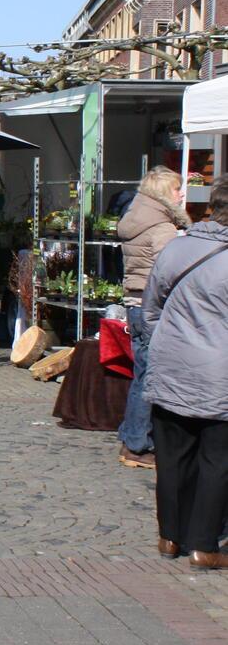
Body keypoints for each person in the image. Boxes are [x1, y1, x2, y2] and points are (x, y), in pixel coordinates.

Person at [142, 177, 228, 569]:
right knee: (217, 461)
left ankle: (169, 536)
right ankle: (204, 544)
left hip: (170, 364)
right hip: (218, 372)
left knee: (173, 457)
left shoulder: (177, 247)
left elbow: (149, 310)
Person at [116, 165, 189, 469]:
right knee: (149, 377)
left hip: (136, 302)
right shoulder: (161, 227)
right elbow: (169, 270)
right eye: (176, 189)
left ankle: (132, 435)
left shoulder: (137, 219)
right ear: (163, 194)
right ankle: (137, 443)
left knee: (142, 374)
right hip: (153, 306)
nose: (182, 194)